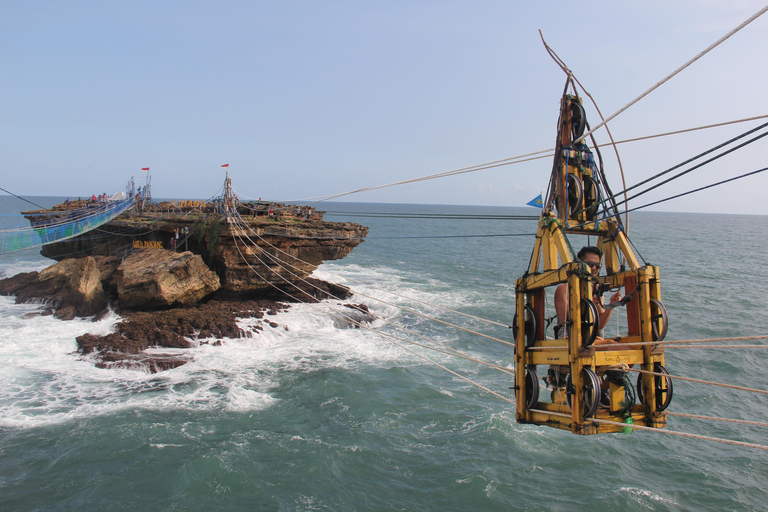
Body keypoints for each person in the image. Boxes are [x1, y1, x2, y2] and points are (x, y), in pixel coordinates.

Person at [553, 246, 622, 344]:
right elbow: (565, 320)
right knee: (614, 346)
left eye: (597, 266)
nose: (594, 268)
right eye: (590, 264)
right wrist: (586, 304)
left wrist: (611, 304)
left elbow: (600, 324)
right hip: (568, 338)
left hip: (591, 338)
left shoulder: (597, 291)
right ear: (579, 264)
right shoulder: (564, 289)